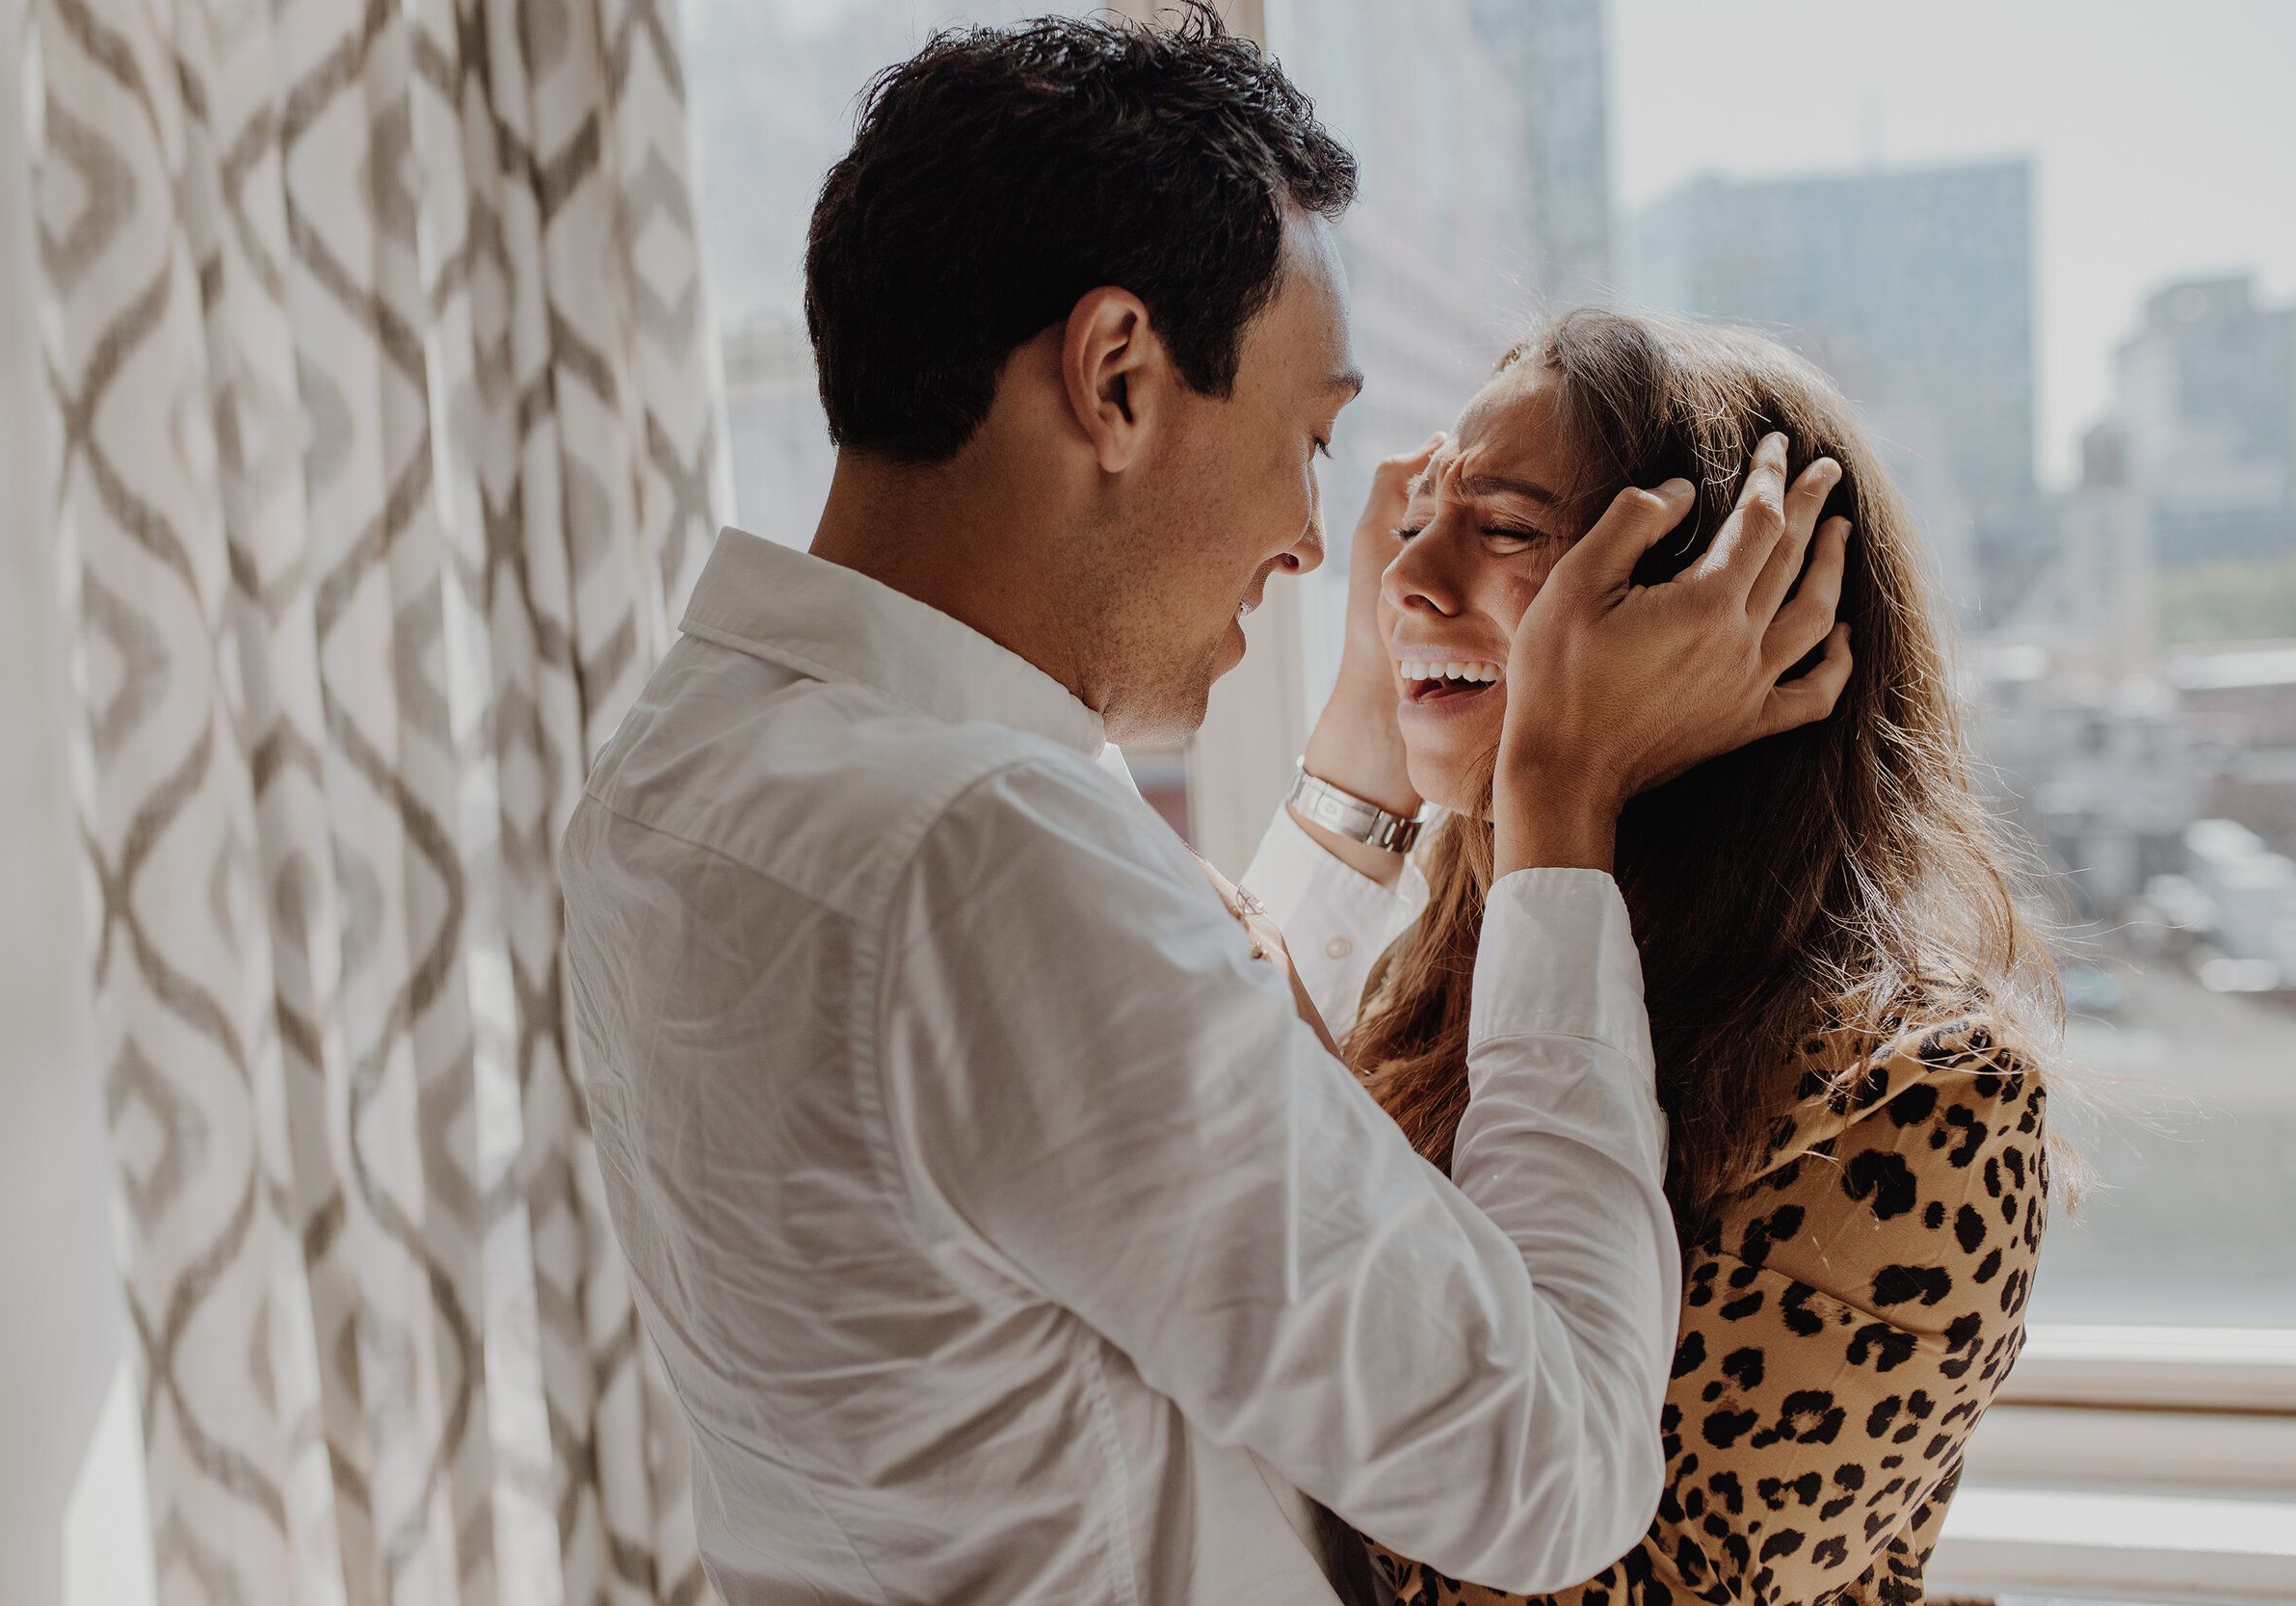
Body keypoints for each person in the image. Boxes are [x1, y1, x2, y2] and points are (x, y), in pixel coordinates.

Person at [557, 11, 1850, 1602]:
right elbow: (1556, 1464)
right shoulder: (982, 856)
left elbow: (1128, 1133)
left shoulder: (685, 771)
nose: (1323, 542)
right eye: (1310, 439)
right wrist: (1560, 799)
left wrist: (1369, 766)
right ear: (1118, 378)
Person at [1240, 309, 2055, 1606]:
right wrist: (1367, 738)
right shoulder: (1442, 981)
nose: (1406, 579)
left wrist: (1564, 780)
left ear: (1743, 614)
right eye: (1416, 522)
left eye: (1504, 529)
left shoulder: (1922, 1094)